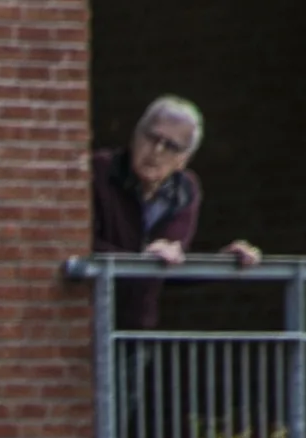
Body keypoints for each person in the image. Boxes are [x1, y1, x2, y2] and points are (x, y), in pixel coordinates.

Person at [93, 95, 261, 329]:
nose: (157, 151)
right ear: (135, 136)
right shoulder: (100, 171)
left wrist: (225, 261)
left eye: (171, 146)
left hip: (135, 330)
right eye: (152, 138)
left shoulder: (185, 190)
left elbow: (171, 263)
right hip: (84, 321)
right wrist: (142, 259)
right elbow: (80, 245)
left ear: (184, 159)